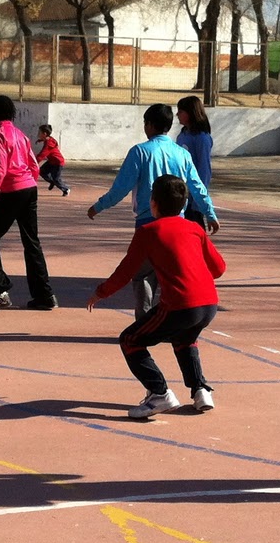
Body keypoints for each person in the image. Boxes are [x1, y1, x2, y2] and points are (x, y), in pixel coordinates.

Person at [88, 175, 226, 420]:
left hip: (180, 305)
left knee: (130, 340)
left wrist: (101, 292)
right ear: (184, 204)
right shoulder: (195, 228)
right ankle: (201, 391)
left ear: (153, 203)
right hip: (209, 304)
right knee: (184, 338)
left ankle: (159, 393)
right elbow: (218, 268)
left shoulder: (148, 231)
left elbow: (126, 271)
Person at [88, 103, 218, 319]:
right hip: (178, 226)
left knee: (143, 276)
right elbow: (197, 187)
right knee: (174, 274)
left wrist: (98, 207)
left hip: (149, 222)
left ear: (149, 125)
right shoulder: (182, 154)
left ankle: (144, 321)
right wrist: (210, 213)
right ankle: (173, 319)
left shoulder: (140, 152)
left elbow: (121, 188)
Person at [0, 94, 55, 312]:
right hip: (29, 189)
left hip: (12, 191)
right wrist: (28, 184)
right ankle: (45, 295)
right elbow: (33, 164)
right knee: (31, 242)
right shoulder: (19, 134)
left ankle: (0, 291)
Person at [175, 95, 213, 223]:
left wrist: (199, 201)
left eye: (181, 111)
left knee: (195, 231)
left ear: (191, 113)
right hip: (181, 196)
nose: (177, 115)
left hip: (193, 199)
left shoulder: (202, 138)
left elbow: (204, 170)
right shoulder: (182, 135)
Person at [35, 123, 70, 196]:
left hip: (58, 163)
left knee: (56, 179)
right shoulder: (48, 139)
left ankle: (66, 189)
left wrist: (34, 162)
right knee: (42, 172)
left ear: (44, 134)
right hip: (51, 161)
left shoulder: (49, 144)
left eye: (39, 132)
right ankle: (52, 182)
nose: (38, 133)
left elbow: (41, 155)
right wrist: (40, 140)